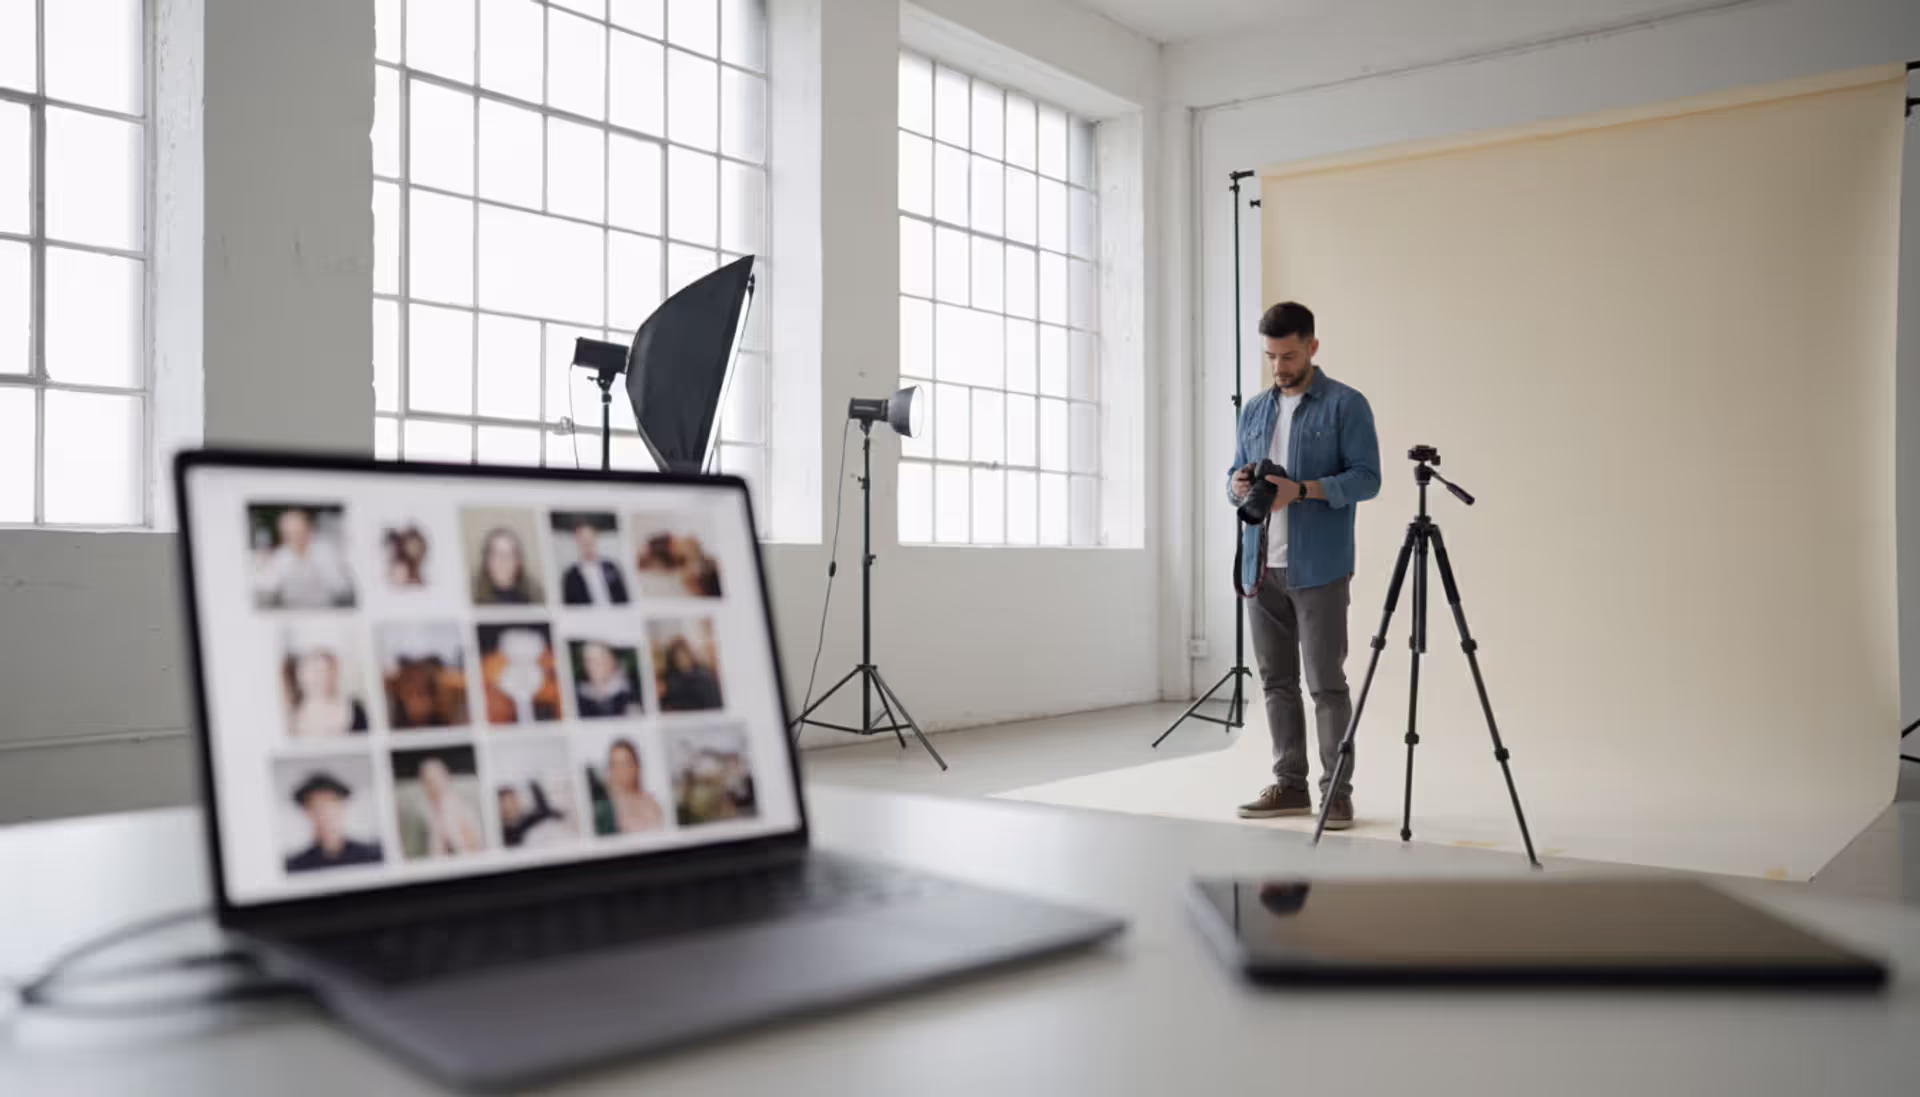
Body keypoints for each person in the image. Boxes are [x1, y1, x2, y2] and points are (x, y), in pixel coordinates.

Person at [1227, 302, 1380, 830]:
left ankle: (1336, 793)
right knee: (1275, 682)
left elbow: (1368, 479)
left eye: (1288, 354)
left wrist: (1305, 491)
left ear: (1313, 346)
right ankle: (1289, 786)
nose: (1278, 366)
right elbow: (1233, 472)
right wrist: (1238, 486)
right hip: (1260, 564)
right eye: (1270, 356)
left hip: (1319, 567)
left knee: (1326, 684)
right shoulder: (1254, 410)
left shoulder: (1346, 404)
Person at [253, 506, 355, 609]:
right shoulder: (282, 556)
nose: (295, 537)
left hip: (327, 611)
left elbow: (340, 587)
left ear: (308, 529)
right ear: (284, 536)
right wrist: (263, 565)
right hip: (293, 613)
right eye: (289, 534)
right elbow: (267, 587)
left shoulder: (324, 549)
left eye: (299, 531)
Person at [285, 772, 382, 872]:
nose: (326, 813)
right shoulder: (294, 865)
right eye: (317, 806)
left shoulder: (373, 855)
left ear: (342, 807)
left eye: (331, 804)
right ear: (307, 812)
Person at [399, 756, 485, 858]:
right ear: (423, 784)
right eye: (429, 781)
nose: (434, 785)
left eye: (437, 778)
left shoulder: (461, 806)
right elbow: (411, 851)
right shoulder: (417, 812)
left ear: (446, 778)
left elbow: (476, 844)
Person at [284, 646, 369, 738]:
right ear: (300, 676)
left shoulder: (356, 708)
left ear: (334, 673)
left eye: (324, 671)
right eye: (313, 671)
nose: (318, 678)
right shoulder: (293, 717)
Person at [593, 739, 665, 835]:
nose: (621, 770)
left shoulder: (651, 801)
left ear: (636, 766)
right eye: (615, 765)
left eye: (626, 763)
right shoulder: (605, 807)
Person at [560, 518, 630, 606]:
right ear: (576, 542)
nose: (587, 543)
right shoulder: (570, 575)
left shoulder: (611, 567)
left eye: (590, 538)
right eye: (582, 539)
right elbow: (570, 605)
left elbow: (624, 597)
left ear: (595, 538)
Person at [574, 640, 640, 718]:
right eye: (588, 660)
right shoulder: (577, 694)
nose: (592, 666)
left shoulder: (633, 692)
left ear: (612, 661)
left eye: (599, 660)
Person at [658, 634, 723, 712]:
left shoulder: (704, 676)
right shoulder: (669, 680)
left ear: (690, 655)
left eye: (683, 655)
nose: (681, 660)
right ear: (672, 660)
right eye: (677, 657)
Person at [472, 527, 537, 604]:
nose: (503, 561)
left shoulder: (533, 604)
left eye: (510, 554)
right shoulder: (472, 604)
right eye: (496, 553)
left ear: (518, 562)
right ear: (486, 560)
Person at [499, 781, 570, 848]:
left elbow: (547, 811)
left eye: (512, 801)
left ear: (517, 801)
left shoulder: (528, 819)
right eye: (504, 803)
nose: (509, 807)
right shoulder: (502, 831)